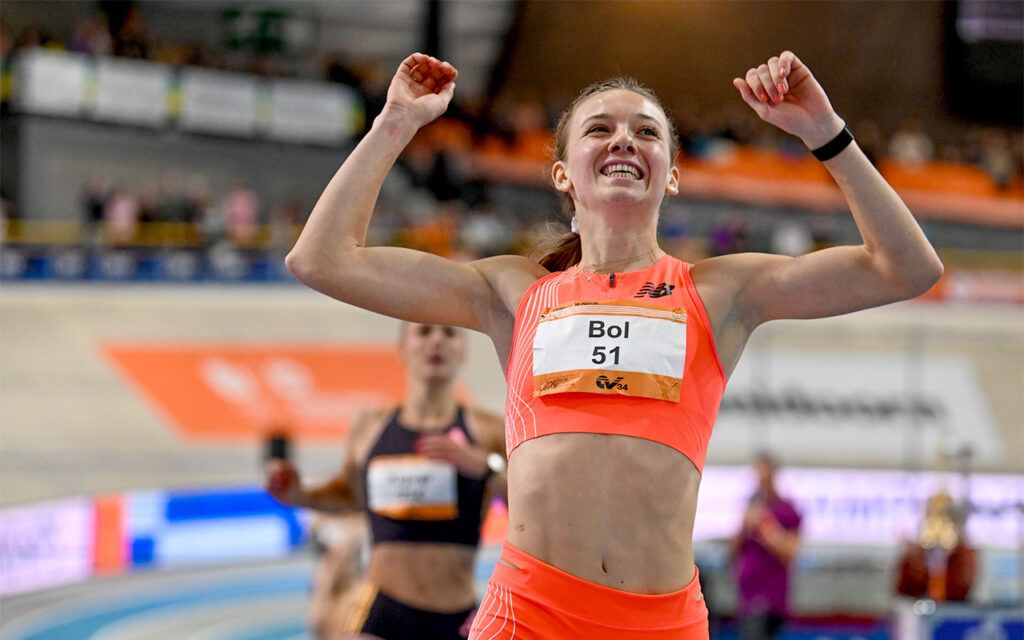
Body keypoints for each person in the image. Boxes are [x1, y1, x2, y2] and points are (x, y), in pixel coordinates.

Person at [283, 51, 943, 639]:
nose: (624, 139)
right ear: (564, 174)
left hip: (661, 622)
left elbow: (907, 268)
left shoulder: (720, 292)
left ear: (672, 176)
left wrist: (826, 134)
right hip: (529, 614)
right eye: (599, 128)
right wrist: (394, 123)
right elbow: (323, 260)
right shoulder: (512, 292)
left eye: (646, 131)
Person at [265, 322, 507, 639]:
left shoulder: (487, 429)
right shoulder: (371, 426)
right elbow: (348, 494)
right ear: (402, 350)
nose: (436, 341)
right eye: (423, 332)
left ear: (462, 350)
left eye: (449, 334)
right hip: (384, 610)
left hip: (456, 613)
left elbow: (528, 500)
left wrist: (485, 466)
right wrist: (300, 494)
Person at [731, 453, 801, 640]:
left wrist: (765, 526)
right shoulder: (750, 506)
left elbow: (790, 551)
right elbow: (733, 549)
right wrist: (744, 526)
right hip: (747, 595)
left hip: (769, 597)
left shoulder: (786, 511)